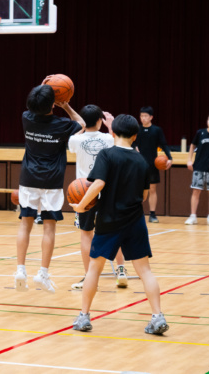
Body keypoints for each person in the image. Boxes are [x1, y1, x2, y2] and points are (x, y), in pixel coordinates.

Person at [69, 114, 169, 335]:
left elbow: (98, 184)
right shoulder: (141, 160)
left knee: (94, 268)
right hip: (135, 221)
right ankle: (157, 316)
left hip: (109, 220)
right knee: (145, 271)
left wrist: (81, 205)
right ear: (135, 136)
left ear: (113, 132)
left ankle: (84, 317)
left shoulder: (107, 154)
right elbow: (144, 195)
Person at [15, 81, 84, 293]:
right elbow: (81, 123)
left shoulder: (26, 118)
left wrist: (44, 87)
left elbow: (34, 104)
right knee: (48, 227)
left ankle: (20, 270)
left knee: (25, 224)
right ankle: (42, 274)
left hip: (28, 179)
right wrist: (66, 106)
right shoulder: (62, 125)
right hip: (51, 181)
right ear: (52, 104)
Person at [68, 105, 129, 290]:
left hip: (85, 192)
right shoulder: (108, 138)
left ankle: (89, 277)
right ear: (99, 121)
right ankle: (121, 270)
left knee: (86, 234)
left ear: (84, 122)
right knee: (114, 232)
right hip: (108, 189)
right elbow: (121, 142)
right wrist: (110, 126)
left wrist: (75, 118)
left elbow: (76, 132)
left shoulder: (75, 139)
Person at [134, 107, 173, 223]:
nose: (143, 118)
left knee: (152, 189)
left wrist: (170, 158)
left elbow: (164, 144)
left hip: (152, 164)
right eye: (141, 116)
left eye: (145, 116)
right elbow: (132, 143)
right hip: (139, 164)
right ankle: (136, 213)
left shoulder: (157, 130)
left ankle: (152, 214)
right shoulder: (137, 130)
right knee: (137, 190)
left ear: (151, 117)